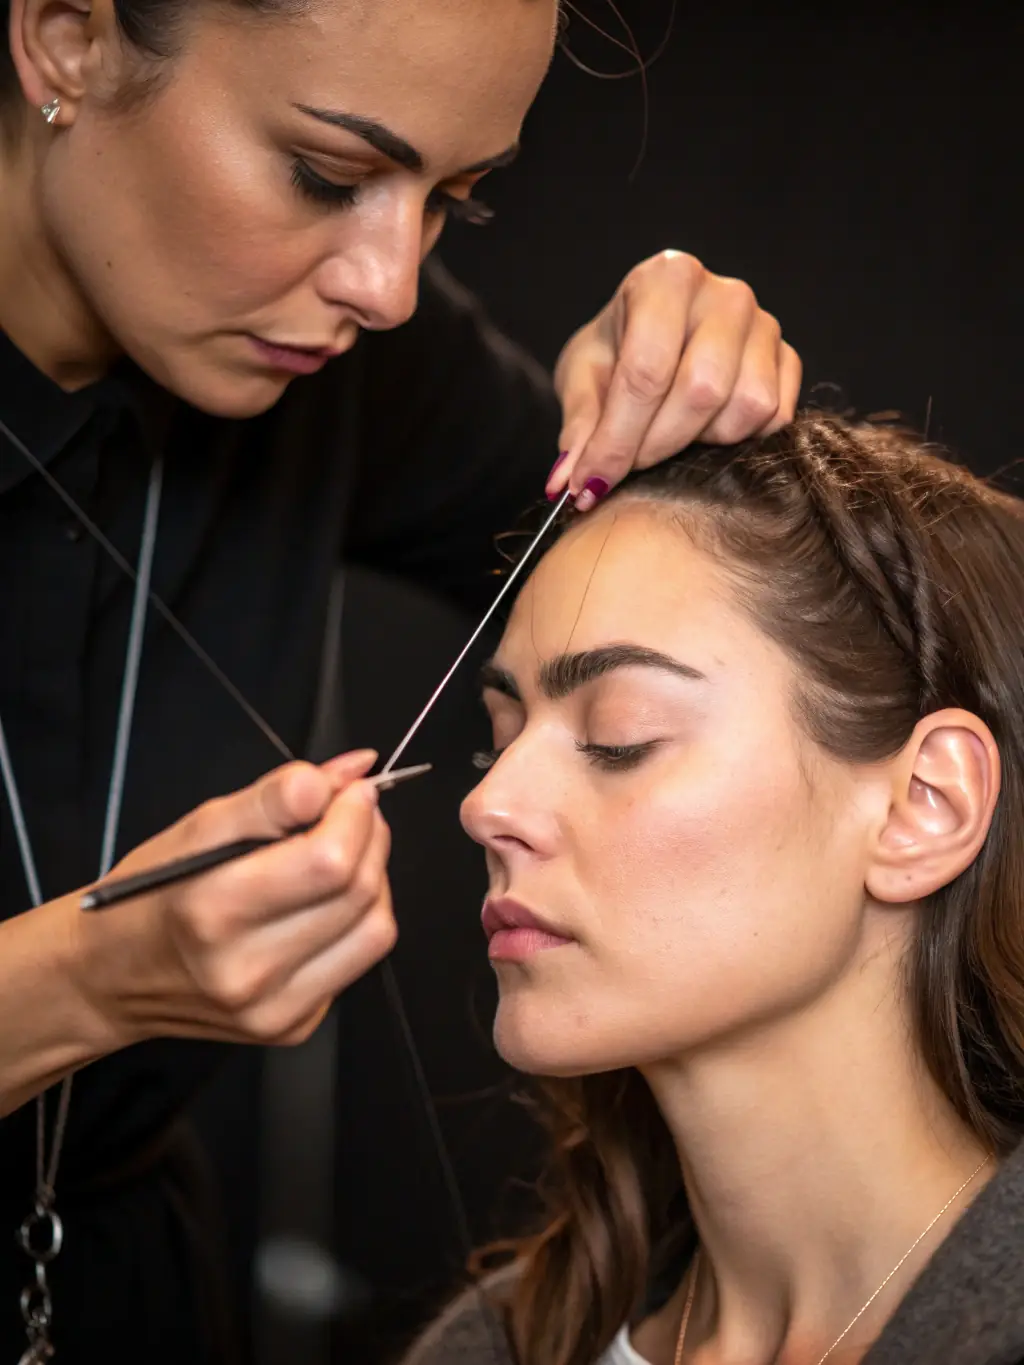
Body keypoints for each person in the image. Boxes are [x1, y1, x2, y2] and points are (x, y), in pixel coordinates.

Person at [0, 0, 804, 1359]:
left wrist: (683, 383)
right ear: (68, 37)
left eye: (458, 202)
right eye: (327, 174)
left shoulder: (345, 352)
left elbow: (677, 562)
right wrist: (88, 980)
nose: (388, 287)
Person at [405, 412, 1024, 1365]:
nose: (488, 802)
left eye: (621, 734)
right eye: (498, 734)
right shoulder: (494, 1347)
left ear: (926, 805)